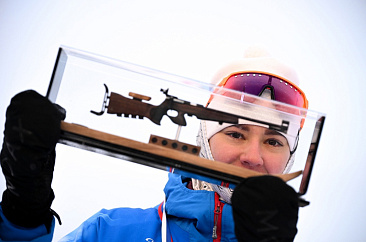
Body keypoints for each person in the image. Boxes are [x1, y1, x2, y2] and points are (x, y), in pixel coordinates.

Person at [0, 47, 307, 241]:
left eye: (273, 141)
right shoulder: (112, 232)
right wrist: (22, 215)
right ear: (204, 141)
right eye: (236, 134)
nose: (253, 157)